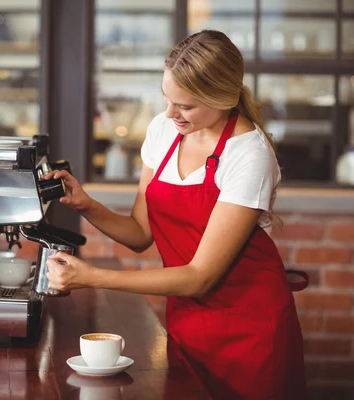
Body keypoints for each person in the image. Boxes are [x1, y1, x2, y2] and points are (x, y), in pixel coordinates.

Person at [42, 30, 308, 399]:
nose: (170, 113)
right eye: (167, 99)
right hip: (186, 320)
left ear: (223, 98)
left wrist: (92, 276)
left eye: (185, 105)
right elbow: (139, 233)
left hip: (251, 329)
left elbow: (200, 277)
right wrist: (85, 203)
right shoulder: (164, 130)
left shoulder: (249, 154)